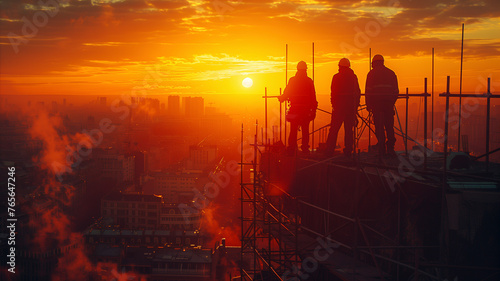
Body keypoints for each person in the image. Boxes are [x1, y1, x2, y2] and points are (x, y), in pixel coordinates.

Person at [278, 61, 317, 154]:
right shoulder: (309, 81)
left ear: (297, 69)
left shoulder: (293, 80)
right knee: (305, 129)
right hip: (305, 111)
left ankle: (292, 147)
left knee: (293, 129)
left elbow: (287, 92)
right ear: (305, 70)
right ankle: (305, 148)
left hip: (294, 110)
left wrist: (282, 98)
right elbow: (313, 96)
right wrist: (313, 110)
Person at [325, 58, 361, 158]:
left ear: (340, 66)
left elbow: (333, 93)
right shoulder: (353, 77)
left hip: (339, 108)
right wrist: (355, 107)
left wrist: (334, 105)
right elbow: (357, 92)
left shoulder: (336, 77)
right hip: (350, 108)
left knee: (334, 130)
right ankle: (348, 151)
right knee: (349, 130)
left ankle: (329, 150)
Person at [365, 54, 399, 156]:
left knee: (379, 126)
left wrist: (369, 105)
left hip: (376, 104)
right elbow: (396, 91)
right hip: (388, 104)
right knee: (389, 126)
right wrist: (391, 102)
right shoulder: (391, 73)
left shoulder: (371, 74)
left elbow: (368, 91)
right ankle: (390, 148)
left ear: (374, 63)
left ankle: (381, 147)